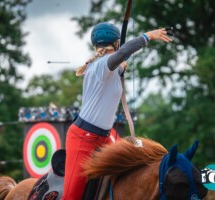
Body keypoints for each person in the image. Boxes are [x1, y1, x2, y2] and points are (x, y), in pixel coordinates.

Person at [62, 22, 172, 200]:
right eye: (119, 45)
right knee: (71, 197)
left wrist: (121, 68)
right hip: (83, 139)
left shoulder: (108, 68)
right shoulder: (100, 65)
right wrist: (148, 36)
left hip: (105, 138)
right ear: (116, 44)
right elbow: (120, 55)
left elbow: (117, 62)